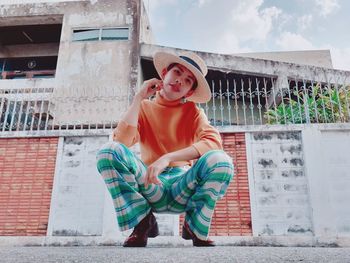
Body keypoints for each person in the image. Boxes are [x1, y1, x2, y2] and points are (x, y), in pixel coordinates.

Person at [96, 51, 234, 247]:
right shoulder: (143, 108)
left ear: (189, 92)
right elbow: (122, 141)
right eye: (177, 72)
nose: (179, 81)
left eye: (187, 81)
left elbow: (213, 142)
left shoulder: (194, 112)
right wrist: (138, 98)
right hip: (151, 185)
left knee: (221, 161)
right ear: (163, 73)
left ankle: (194, 226)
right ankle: (143, 222)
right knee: (108, 151)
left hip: (182, 188)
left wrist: (167, 158)